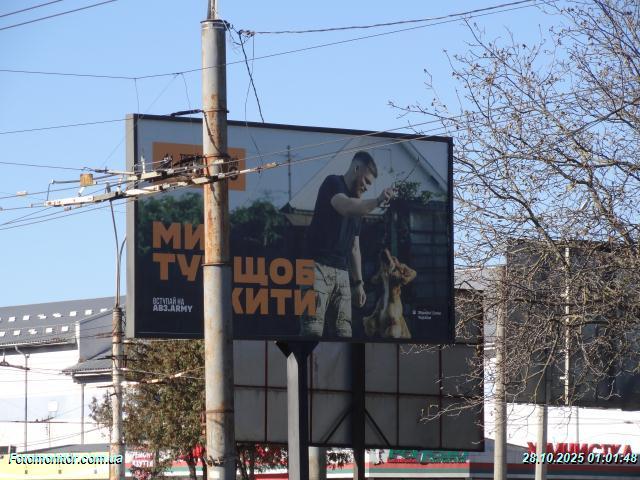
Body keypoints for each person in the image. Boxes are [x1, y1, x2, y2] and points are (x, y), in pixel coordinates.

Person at [301, 151, 394, 337]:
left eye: (370, 184)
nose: (367, 187)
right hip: (315, 268)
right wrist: (378, 200)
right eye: (366, 181)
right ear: (356, 169)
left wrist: (358, 283)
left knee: (344, 334)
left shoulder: (358, 205)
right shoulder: (333, 183)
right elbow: (345, 207)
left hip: (342, 274)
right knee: (312, 331)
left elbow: (354, 247)